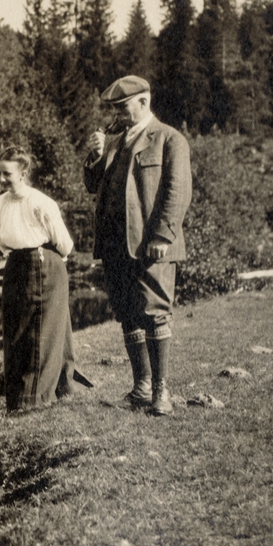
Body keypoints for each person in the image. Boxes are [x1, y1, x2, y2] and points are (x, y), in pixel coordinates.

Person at [83, 75, 191, 417]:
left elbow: (177, 192)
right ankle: (141, 388)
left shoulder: (170, 139)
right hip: (116, 246)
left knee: (155, 313)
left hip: (151, 245)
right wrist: (94, 157)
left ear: (143, 102)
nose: (115, 113)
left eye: (121, 106)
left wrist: (162, 236)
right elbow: (92, 186)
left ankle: (162, 392)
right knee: (128, 315)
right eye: (113, 108)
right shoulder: (114, 142)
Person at [0, 146, 89, 410]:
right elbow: (1, 240)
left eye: (7, 174)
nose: (1, 179)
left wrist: (40, 257)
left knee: (44, 328)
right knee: (16, 329)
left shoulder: (40, 203)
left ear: (23, 173)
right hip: (16, 263)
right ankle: (34, 393)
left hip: (44, 262)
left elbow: (64, 244)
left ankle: (36, 399)